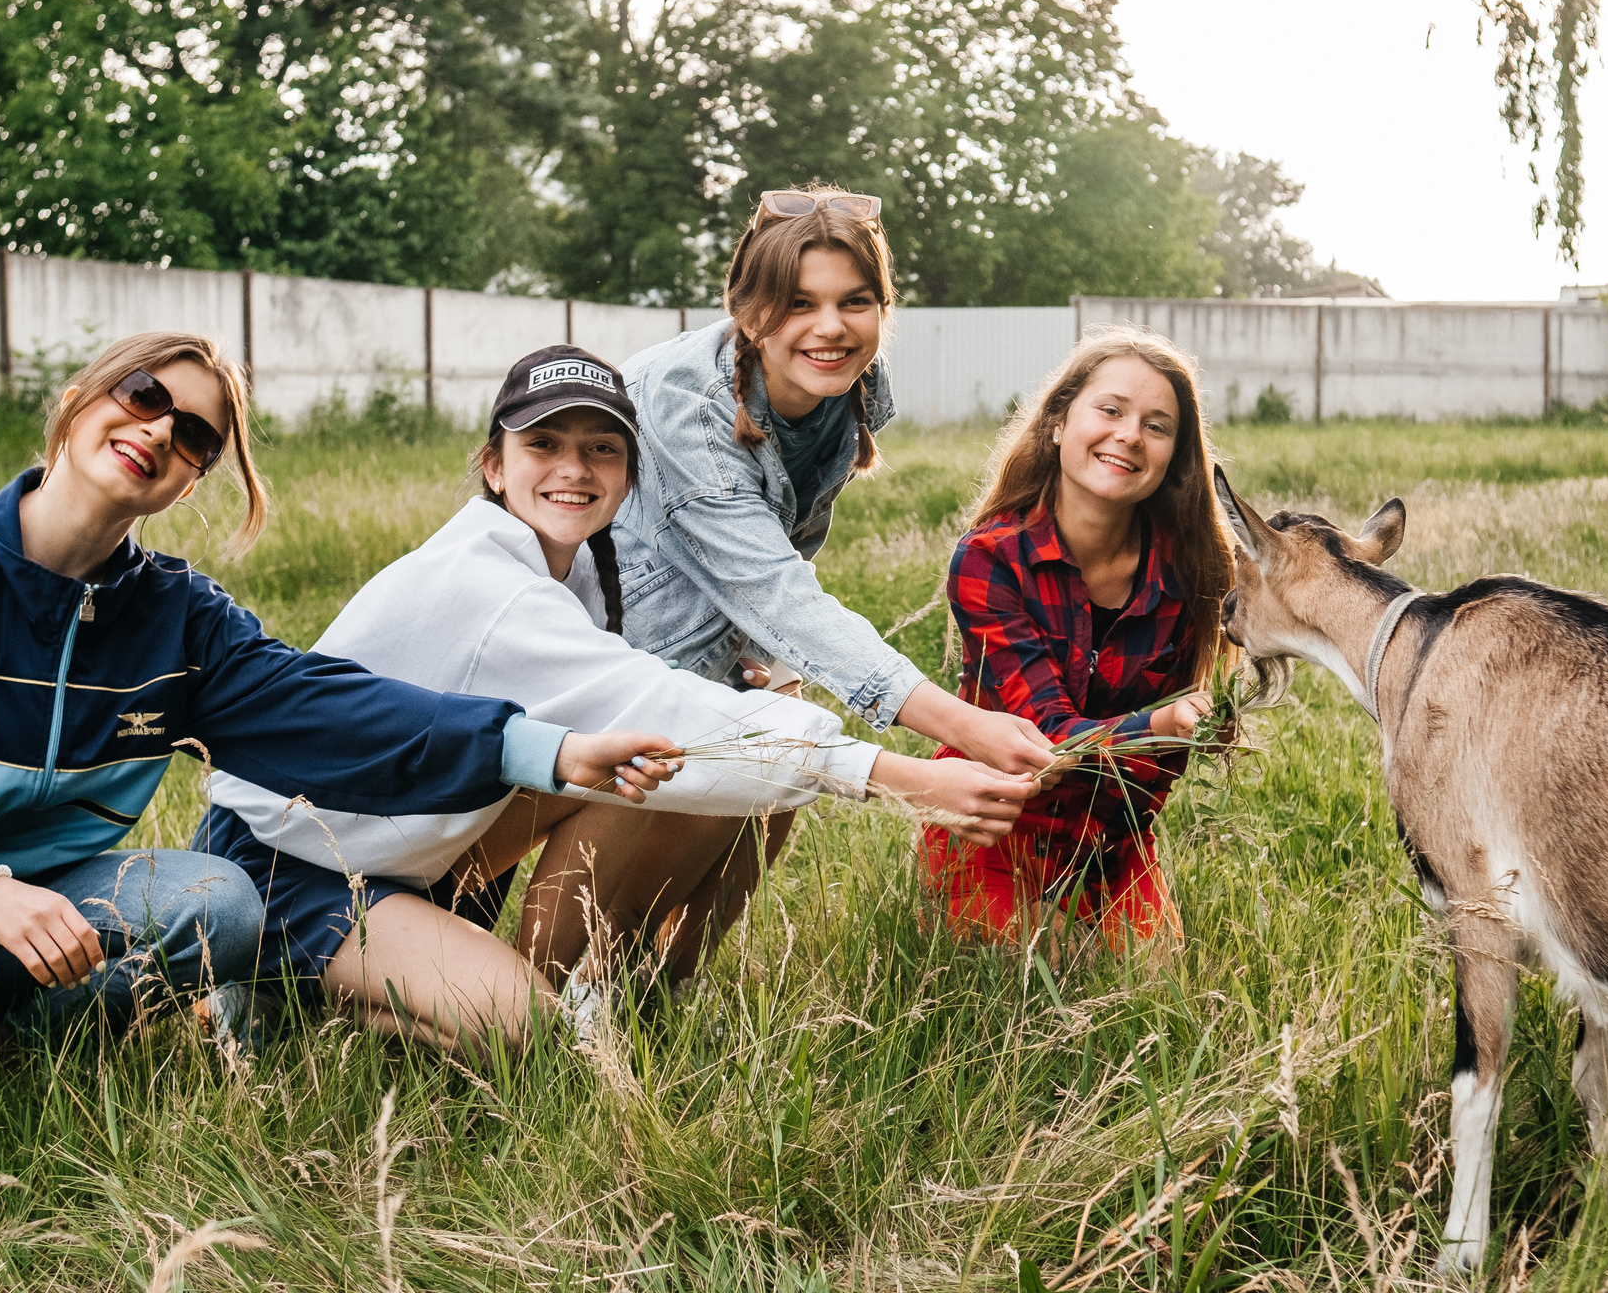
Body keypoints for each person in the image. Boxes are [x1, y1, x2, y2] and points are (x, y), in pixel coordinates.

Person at [0, 331, 672, 1099]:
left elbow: (329, 712)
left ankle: (20, 1051)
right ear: (77, 404)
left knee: (221, 900)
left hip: (30, 900)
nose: (159, 431)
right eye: (142, 396)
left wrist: (545, 749)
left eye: (194, 437)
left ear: (192, 479)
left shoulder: (177, 617)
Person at [199, 346, 1037, 1050]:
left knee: (662, 763)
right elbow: (655, 701)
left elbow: (647, 708)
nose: (574, 468)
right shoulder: (488, 582)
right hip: (288, 861)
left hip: (393, 843)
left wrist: (760, 691)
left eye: (602, 448)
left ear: (629, 476)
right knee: (522, 1030)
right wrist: (907, 777)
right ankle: (287, 989)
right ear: (494, 465)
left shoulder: (569, 570)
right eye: (543, 443)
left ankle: (612, 989)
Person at [553, 187, 1063, 966]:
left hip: (714, 629)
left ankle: (668, 986)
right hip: (610, 653)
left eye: (855, 301)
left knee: (776, 785)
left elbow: (781, 546)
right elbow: (774, 589)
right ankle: (587, 987)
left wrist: (770, 657)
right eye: (798, 302)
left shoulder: (841, 385)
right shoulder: (688, 405)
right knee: (686, 813)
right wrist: (962, 725)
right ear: (747, 306)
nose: (831, 326)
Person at [917, 327, 1237, 956]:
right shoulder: (991, 559)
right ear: (1059, 423)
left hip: (1110, 835)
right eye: (1111, 410)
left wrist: (1196, 728)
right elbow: (1040, 741)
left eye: (1156, 426)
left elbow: (1161, 771)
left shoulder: (1192, 570)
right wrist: (1163, 724)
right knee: (1030, 972)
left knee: (1147, 982)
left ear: (1174, 456)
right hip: (994, 818)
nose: (1129, 435)